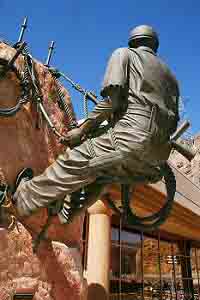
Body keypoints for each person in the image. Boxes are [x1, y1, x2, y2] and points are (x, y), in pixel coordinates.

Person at [1, 25, 180, 226]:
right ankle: (66, 213)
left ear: (133, 41)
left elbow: (112, 101)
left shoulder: (124, 54)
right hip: (156, 159)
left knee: (72, 161)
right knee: (102, 173)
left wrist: (82, 129)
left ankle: (22, 199)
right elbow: (173, 120)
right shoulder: (171, 79)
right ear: (154, 44)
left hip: (131, 139)